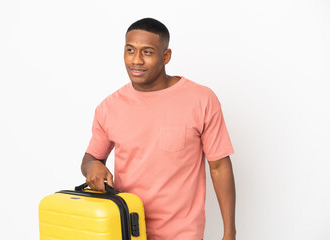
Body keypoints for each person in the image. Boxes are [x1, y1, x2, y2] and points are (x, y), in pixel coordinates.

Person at [81, 17, 236, 240]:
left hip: (181, 234)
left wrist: (229, 232)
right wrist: (92, 166)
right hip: (125, 230)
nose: (136, 60)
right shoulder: (109, 107)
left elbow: (220, 167)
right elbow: (90, 159)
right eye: (130, 50)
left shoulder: (201, 99)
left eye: (147, 52)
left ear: (166, 56)